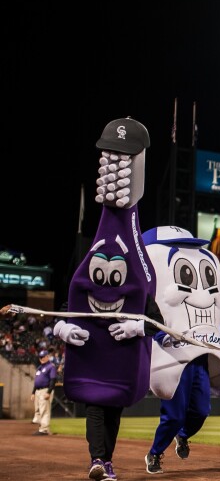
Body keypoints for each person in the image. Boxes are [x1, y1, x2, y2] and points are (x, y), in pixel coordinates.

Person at [50, 116, 162, 481]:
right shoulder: (97, 251)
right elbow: (69, 305)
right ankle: (99, 460)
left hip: (120, 360)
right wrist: (63, 328)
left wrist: (138, 327)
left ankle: (103, 459)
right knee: (97, 407)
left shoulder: (139, 261)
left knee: (110, 409)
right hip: (93, 355)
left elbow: (153, 317)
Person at [141, 226, 220, 475]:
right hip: (174, 359)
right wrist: (162, 337)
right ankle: (154, 453)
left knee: (201, 411)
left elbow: (213, 326)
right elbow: (149, 320)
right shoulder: (154, 288)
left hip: (200, 358)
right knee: (173, 416)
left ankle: (183, 436)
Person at [31, 348, 57, 435]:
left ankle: (44, 429)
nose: (41, 358)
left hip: (45, 390)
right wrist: (33, 392)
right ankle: (41, 428)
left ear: (47, 357)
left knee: (44, 410)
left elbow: (53, 380)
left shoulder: (51, 367)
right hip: (38, 391)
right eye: (40, 357)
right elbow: (36, 381)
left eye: (43, 357)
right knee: (38, 410)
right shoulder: (39, 367)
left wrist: (49, 392)